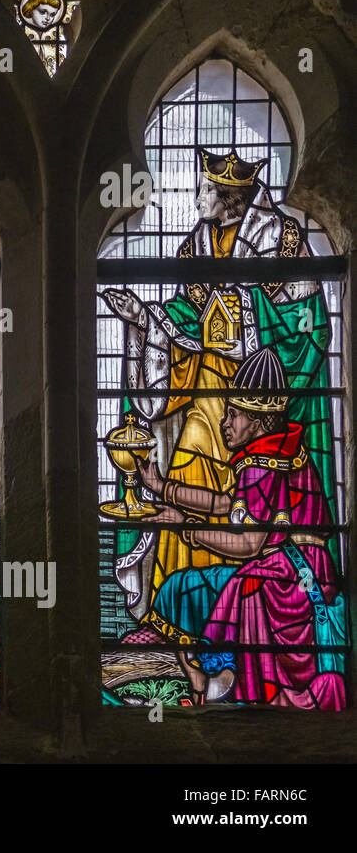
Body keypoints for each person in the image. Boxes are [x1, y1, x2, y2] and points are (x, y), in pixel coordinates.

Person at [101, 147, 337, 643]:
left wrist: (249, 321)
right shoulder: (196, 248)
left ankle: (224, 620)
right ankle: (173, 618)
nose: (198, 198)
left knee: (245, 504)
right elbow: (186, 320)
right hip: (208, 389)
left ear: (231, 200)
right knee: (190, 469)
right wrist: (143, 318)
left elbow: (309, 329)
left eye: (207, 191)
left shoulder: (282, 241)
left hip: (256, 398)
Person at [136, 349, 344, 708]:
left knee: (195, 586)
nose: (224, 423)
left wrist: (185, 527)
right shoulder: (277, 451)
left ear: (260, 420)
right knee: (196, 585)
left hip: (287, 581)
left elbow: (248, 543)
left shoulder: (262, 462)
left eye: (233, 414)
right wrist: (162, 487)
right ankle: (214, 675)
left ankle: (225, 681)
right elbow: (223, 503)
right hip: (299, 570)